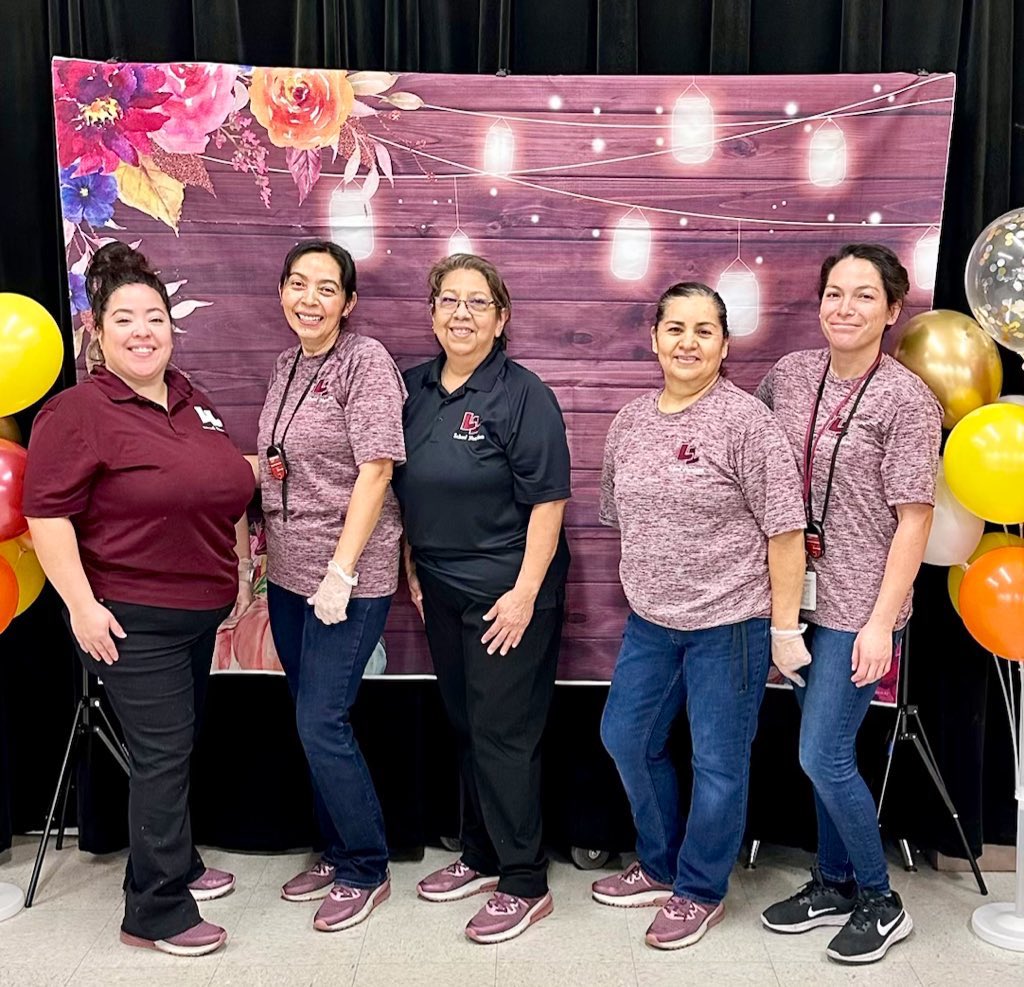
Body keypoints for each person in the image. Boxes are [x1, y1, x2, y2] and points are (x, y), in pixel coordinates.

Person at [23, 242, 256, 957]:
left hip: (198, 613)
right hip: (128, 616)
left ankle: (178, 861)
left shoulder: (192, 398)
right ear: (96, 329)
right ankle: (153, 910)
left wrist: (241, 568)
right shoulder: (77, 411)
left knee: (177, 746)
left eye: (154, 316)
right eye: (125, 319)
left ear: (171, 326)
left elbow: (229, 487)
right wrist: (82, 606)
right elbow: (46, 515)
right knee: (161, 756)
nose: (143, 331)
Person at [592, 282, 808, 951]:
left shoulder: (745, 422)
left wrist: (784, 627)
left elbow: (786, 533)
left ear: (724, 342)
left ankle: (700, 888)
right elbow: (616, 513)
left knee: (718, 762)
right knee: (625, 736)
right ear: (654, 336)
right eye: (676, 328)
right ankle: (658, 862)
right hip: (651, 622)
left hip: (731, 625)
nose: (688, 342)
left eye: (704, 330)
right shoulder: (629, 420)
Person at [756, 244, 941, 964]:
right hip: (793, 595)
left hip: (857, 606)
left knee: (823, 752)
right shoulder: (792, 375)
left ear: (893, 311)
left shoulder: (905, 400)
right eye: (835, 292)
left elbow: (915, 521)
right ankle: (830, 880)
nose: (845, 307)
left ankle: (880, 897)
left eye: (865, 296)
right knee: (820, 752)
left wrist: (879, 622)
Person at [393, 253, 571, 944]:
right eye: (448, 300)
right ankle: (480, 852)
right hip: (439, 585)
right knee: (466, 724)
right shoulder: (412, 389)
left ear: (501, 319)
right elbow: (401, 484)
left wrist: (525, 593)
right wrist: (412, 560)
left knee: (503, 733)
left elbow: (550, 502)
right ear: (432, 311)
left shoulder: (523, 394)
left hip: (509, 590)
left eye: (477, 303)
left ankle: (523, 880)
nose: (460, 314)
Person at [256, 240, 406, 933]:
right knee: (307, 717)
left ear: (347, 303)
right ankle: (335, 843)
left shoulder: (363, 361)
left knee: (322, 719)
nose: (308, 299)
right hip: (288, 574)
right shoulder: (288, 363)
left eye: (325, 288)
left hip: (348, 575)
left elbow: (376, 469)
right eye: (297, 284)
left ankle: (364, 866)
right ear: (282, 291)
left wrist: (342, 572)